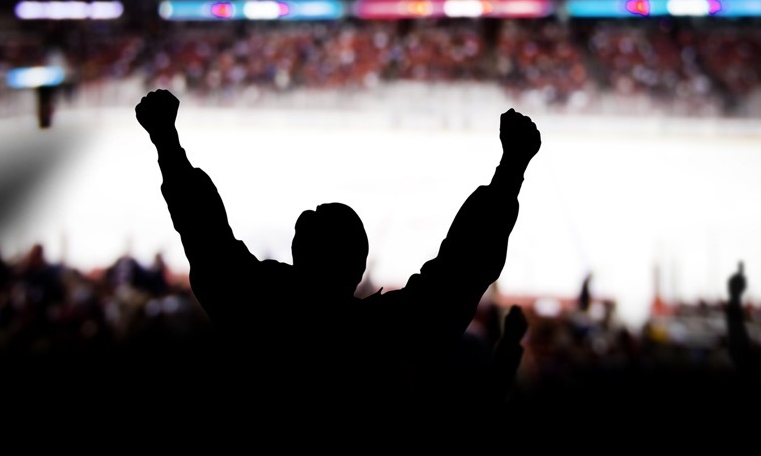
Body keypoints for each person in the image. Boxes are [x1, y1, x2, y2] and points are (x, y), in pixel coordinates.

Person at [134, 88, 541, 416]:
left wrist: (166, 142)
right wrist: (510, 171)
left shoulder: (252, 311)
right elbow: (456, 278)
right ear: (360, 268)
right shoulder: (381, 337)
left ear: (296, 253)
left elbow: (206, 238)